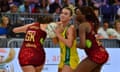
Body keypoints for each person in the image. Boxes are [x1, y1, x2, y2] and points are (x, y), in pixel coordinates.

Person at [75, 6, 109, 72]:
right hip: (103, 53)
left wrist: (73, 44)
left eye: (77, 14)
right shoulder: (92, 23)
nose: (76, 16)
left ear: (83, 15)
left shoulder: (83, 25)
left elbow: (83, 45)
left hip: (96, 55)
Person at [54, 7, 80, 72]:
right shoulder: (59, 27)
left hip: (71, 59)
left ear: (70, 17)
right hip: (63, 59)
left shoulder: (71, 28)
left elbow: (69, 44)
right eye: (62, 13)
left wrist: (58, 34)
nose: (62, 15)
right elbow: (55, 42)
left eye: (66, 14)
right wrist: (52, 33)